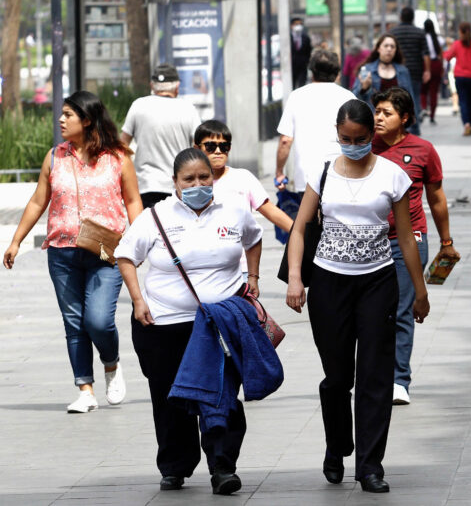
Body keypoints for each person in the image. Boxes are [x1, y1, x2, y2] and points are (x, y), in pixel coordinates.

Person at [285, 99, 430, 493]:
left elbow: (405, 236)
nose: (353, 145)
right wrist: (295, 278)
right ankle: (337, 446)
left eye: (361, 139)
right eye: (346, 138)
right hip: (329, 284)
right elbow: (298, 229)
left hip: (377, 283)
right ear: (338, 134)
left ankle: (370, 465)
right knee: (337, 377)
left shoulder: (392, 174)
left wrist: (420, 291)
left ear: (373, 135)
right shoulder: (324, 169)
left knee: (375, 376)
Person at [115, 148, 264, 494]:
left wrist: (252, 277)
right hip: (165, 325)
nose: (198, 184)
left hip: (220, 323)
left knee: (222, 396)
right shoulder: (156, 217)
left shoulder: (234, 208)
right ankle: (175, 466)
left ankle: (222, 465)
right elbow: (125, 255)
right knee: (170, 400)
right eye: (189, 179)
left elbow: (254, 240)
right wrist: (138, 300)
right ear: (175, 183)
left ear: (212, 178)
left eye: (204, 177)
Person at [3, 91, 142, 412]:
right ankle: (85, 389)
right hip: (62, 252)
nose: (61, 119)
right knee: (74, 322)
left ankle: (111, 363)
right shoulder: (55, 157)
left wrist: (138, 240)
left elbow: (133, 200)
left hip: (107, 251)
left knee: (98, 320)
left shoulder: (118, 157)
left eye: (68, 114)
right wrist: (17, 240)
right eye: (62, 114)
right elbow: (39, 200)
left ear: (88, 120)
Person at [371, 87, 458, 405]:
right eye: (377, 112)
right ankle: (375, 374)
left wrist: (446, 242)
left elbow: (436, 198)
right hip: (369, 243)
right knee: (373, 313)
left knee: (401, 309)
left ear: (404, 118)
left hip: (409, 241)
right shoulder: (365, 148)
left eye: (387, 113)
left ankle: (398, 380)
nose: (379, 118)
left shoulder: (423, 150)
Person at [194, 119, 293, 273]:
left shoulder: (243, 178)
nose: (218, 151)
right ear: (197, 148)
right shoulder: (192, 183)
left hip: (240, 269)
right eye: (211, 146)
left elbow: (270, 211)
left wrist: (301, 235)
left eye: (224, 146)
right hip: (201, 268)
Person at [275, 49, 357, 202]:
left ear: (311, 71)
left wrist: (279, 172)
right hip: (341, 176)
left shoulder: (297, 96)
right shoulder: (348, 97)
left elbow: (285, 141)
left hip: (307, 179)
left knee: (309, 224)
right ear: (337, 72)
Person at [121, 63, 201, 209]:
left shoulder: (139, 105)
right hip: (179, 186)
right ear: (177, 87)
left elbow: (122, 145)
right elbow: (199, 147)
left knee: (151, 229)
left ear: (152, 85)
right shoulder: (188, 109)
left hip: (146, 186)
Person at [389, 7, 430, 136]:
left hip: (397, 71)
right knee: (414, 98)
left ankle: (399, 126)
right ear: (413, 18)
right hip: (416, 70)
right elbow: (426, 54)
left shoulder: (393, 32)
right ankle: (414, 127)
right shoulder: (419, 33)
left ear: (401, 17)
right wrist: (427, 71)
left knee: (397, 99)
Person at [352, 34, 416, 110]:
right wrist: (364, 89)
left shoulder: (403, 71)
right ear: (378, 49)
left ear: (396, 50)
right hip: (374, 117)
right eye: (386, 46)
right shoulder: (367, 70)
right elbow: (354, 98)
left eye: (392, 46)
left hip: (397, 117)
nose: (389, 49)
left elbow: (410, 99)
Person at [444, 22, 471, 136]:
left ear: (460, 32)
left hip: (460, 77)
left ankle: (466, 124)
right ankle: (470, 124)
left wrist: (446, 50)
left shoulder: (457, 44)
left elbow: (447, 57)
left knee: (463, 102)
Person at [421, 19, 444, 125]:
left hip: (424, 64)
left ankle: (424, 107)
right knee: (434, 91)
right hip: (436, 64)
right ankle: (432, 115)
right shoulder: (438, 39)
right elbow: (441, 54)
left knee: (423, 90)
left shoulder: (422, 38)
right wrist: (442, 68)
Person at [291, 17, 313, 89]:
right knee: (292, 86)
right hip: (291, 67)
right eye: (296, 24)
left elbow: (308, 52)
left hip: (302, 67)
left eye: (300, 24)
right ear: (291, 26)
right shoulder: (288, 38)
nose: (298, 26)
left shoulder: (306, 38)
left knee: (302, 87)